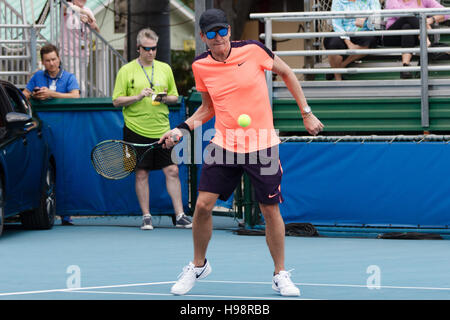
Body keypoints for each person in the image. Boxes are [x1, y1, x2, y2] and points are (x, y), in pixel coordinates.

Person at [159, 8, 324, 296]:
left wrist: (306, 112)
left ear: (229, 32)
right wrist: (181, 129)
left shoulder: (253, 50)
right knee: (202, 206)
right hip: (224, 145)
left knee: (269, 210)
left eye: (223, 31)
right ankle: (198, 265)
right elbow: (207, 108)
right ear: (203, 37)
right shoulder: (201, 66)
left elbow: (286, 72)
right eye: (212, 33)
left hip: (261, 144)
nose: (219, 37)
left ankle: (280, 274)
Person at [112, 28, 192, 231]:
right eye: (146, 49)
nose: (150, 52)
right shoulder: (126, 70)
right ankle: (146, 217)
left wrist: (162, 97)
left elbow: (175, 97)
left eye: (154, 48)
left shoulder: (165, 68)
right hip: (135, 129)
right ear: (138, 48)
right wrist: (138, 96)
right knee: (141, 173)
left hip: (163, 129)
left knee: (172, 170)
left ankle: (180, 215)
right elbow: (116, 101)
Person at [23, 43, 80, 226]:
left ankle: (66, 213)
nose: (51, 63)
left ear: (59, 59)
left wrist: (51, 94)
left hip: (65, 128)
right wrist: (33, 95)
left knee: (66, 168)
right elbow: (24, 94)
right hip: (42, 129)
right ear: (43, 62)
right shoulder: (37, 76)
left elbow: (75, 96)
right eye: (47, 60)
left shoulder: (69, 77)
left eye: (54, 59)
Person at [384, 0, 449, 79]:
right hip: (392, 36)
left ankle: (405, 66)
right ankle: (428, 44)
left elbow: (446, 12)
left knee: (407, 27)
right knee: (407, 16)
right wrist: (422, 23)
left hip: (412, 36)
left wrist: (430, 20)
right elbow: (400, 14)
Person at [323, 0, 381, 80]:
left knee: (371, 38)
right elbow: (336, 24)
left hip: (363, 31)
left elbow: (376, 21)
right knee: (332, 42)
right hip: (343, 32)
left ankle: (340, 67)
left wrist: (366, 19)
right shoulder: (338, 1)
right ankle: (338, 79)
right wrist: (349, 43)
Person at [61, 0, 100, 95]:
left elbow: (97, 30)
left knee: (80, 80)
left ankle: (76, 101)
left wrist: (93, 25)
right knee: (77, 83)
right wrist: (84, 13)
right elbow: (67, 8)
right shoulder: (67, 5)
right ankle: (81, 102)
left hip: (83, 54)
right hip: (69, 53)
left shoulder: (88, 10)